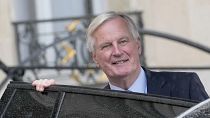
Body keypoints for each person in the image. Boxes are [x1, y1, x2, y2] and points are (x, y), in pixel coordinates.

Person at [32, 11, 209, 102]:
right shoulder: (90, 106)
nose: (117, 51)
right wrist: (46, 100)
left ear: (137, 45)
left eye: (123, 41)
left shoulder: (185, 86)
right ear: (95, 57)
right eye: (106, 45)